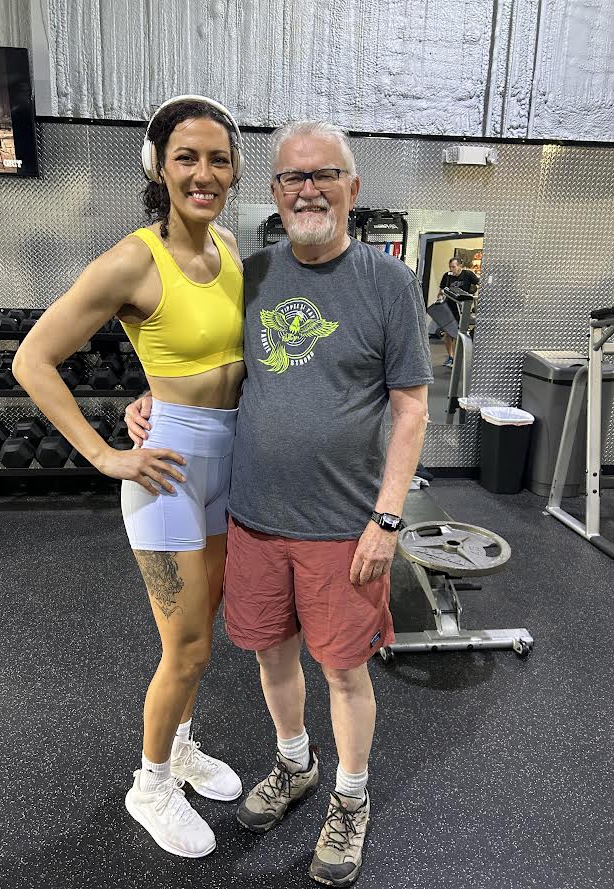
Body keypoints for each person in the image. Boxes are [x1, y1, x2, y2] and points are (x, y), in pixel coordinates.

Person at [126, 119, 433, 886]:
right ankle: (295, 763)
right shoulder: (252, 272)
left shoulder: (387, 283)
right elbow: (207, 358)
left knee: (344, 671)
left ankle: (350, 798)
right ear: (273, 191)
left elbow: (411, 409)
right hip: (254, 520)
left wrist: (386, 517)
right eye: (292, 177)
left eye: (324, 174)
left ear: (352, 188)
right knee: (271, 653)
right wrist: (154, 399)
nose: (308, 189)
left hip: (343, 526)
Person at [13, 95, 247, 860]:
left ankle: (179, 746)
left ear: (234, 171)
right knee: (186, 647)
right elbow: (32, 359)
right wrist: (105, 453)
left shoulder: (230, 249)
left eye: (217, 159)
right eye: (186, 158)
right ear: (158, 167)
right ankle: (149, 784)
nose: (203, 173)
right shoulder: (133, 259)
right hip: (166, 472)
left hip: (225, 466)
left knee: (202, 635)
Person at [436, 256, 479, 367]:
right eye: (450, 267)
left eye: (453, 267)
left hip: (462, 308)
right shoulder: (447, 276)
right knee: (447, 334)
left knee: (457, 334)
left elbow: (480, 283)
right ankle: (450, 357)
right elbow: (441, 291)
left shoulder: (468, 275)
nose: (451, 269)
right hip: (449, 307)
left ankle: (456, 359)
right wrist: (440, 298)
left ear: (460, 266)